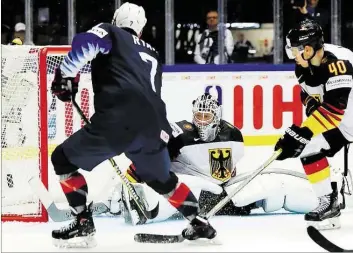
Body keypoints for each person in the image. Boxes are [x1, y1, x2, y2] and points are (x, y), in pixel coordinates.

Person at [50, 2, 216, 248]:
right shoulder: (152, 53)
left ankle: (82, 222)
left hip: (118, 119)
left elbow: (86, 42)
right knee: (162, 180)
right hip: (156, 126)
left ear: (117, 20)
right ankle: (198, 221)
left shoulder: (110, 32)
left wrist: (64, 76)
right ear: (140, 29)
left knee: (62, 159)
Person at [117, 93, 324, 225]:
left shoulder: (233, 134)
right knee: (180, 191)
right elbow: (155, 157)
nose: (202, 121)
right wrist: (137, 172)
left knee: (274, 192)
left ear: (217, 116)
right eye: (199, 116)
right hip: (189, 194)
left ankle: (322, 199)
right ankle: (131, 203)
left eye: (207, 117)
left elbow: (229, 169)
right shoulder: (180, 133)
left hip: (224, 195)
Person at [277, 19, 353, 230]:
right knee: (307, 147)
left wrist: (303, 131)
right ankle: (329, 203)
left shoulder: (340, 62)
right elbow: (308, 93)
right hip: (345, 123)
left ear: (307, 49)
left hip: (343, 117)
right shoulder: (303, 66)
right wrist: (300, 135)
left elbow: (334, 110)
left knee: (305, 138)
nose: (292, 56)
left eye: (295, 51)